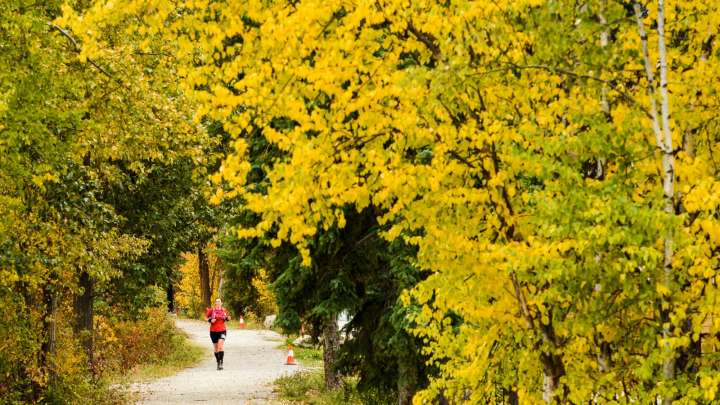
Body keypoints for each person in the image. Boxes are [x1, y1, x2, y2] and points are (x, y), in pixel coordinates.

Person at [206, 298, 230, 370]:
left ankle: (221, 363)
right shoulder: (211, 310)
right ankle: (218, 362)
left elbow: (227, 317)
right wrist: (210, 320)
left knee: (220, 346)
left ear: (221, 303)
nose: (218, 303)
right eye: (216, 301)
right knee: (216, 348)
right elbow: (206, 317)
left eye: (219, 301)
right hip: (213, 331)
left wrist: (228, 318)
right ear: (215, 303)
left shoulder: (224, 310)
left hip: (222, 330)